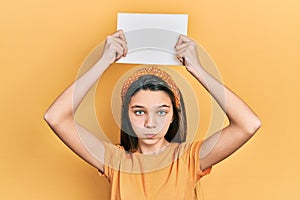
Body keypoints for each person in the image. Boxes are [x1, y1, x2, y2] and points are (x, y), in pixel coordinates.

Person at [44, 30, 261, 199]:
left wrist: (198, 69)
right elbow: (56, 117)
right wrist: (103, 62)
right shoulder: (114, 161)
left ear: (173, 116)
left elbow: (248, 124)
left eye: (161, 112)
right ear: (127, 115)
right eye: (139, 111)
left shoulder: (188, 159)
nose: (151, 123)